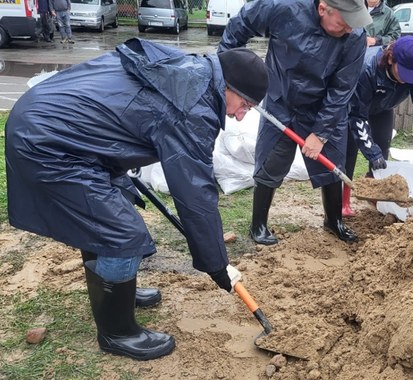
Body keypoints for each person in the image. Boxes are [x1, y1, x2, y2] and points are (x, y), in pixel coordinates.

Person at [5, 38, 269, 361]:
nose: (241, 117)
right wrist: (217, 264)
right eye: (244, 106)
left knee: (109, 209)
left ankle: (116, 293)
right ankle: (117, 332)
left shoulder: (189, 71)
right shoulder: (194, 104)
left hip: (55, 127)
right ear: (229, 87)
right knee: (122, 232)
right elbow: (195, 194)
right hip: (47, 142)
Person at [218, 0, 372, 245]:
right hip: (282, 99)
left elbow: (342, 89)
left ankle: (334, 220)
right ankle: (258, 224)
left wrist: (320, 134)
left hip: (324, 105)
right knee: (271, 160)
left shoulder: (354, 37)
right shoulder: (284, 7)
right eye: (344, 23)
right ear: (323, 8)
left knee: (332, 163)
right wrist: (225, 70)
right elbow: (242, 23)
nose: (350, 29)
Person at [343, 36, 413, 216]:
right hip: (352, 107)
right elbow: (357, 115)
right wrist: (370, 151)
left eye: (412, 74)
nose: (407, 80)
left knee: (382, 151)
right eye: (403, 72)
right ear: (390, 59)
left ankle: (376, 196)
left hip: (382, 108)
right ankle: (343, 202)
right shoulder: (367, 69)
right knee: (350, 150)